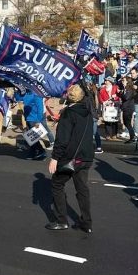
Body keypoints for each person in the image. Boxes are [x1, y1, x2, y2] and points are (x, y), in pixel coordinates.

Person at [46, 84, 94, 232]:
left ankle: (61, 220)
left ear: (68, 96)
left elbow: (62, 139)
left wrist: (55, 158)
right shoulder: (87, 111)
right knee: (82, 189)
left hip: (71, 157)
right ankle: (86, 222)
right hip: (86, 156)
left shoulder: (68, 113)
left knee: (57, 184)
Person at [20, 89, 47, 160]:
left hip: (34, 119)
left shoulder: (37, 94)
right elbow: (19, 99)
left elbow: (40, 108)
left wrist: (38, 121)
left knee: (33, 139)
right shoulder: (26, 93)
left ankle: (41, 151)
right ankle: (32, 153)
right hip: (28, 119)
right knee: (30, 139)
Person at [120, 77, 136, 143]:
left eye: (123, 80)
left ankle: (133, 136)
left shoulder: (129, 89)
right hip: (126, 108)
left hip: (128, 108)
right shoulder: (126, 88)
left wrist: (121, 93)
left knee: (127, 123)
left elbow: (126, 97)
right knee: (126, 122)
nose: (122, 81)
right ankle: (132, 136)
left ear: (127, 81)